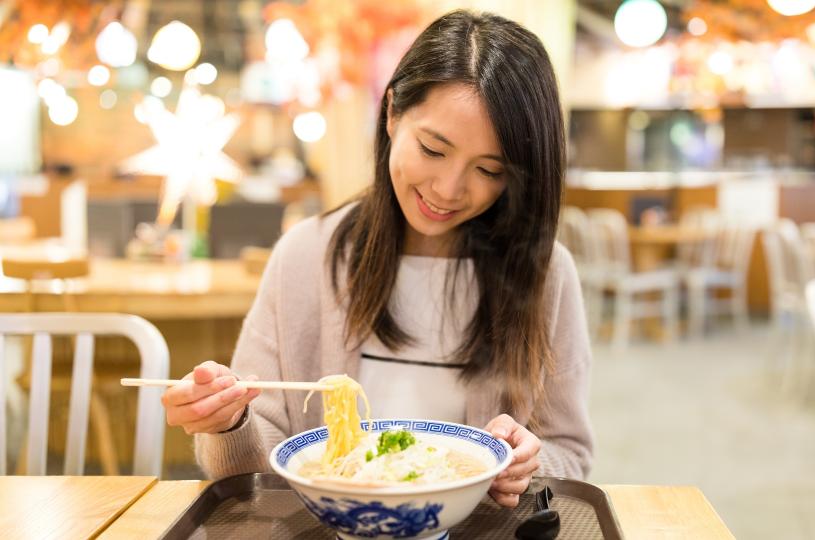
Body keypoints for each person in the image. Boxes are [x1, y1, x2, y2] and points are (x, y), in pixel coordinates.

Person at [160, 10, 593, 508]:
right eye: (433, 150)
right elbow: (258, 466)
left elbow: (571, 451)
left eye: (489, 169)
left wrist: (527, 464)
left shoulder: (546, 273)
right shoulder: (306, 257)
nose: (448, 189)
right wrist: (227, 422)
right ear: (391, 114)